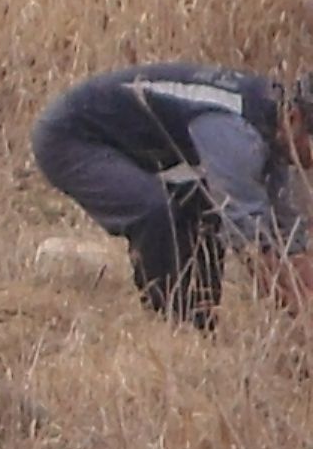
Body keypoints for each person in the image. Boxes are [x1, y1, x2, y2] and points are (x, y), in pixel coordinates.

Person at [31, 66, 313, 328]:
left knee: (201, 208)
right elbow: (250, 241)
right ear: (293, 119)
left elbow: (286, 236)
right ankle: (172, 329)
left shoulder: (274, 128)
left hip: (132, 144)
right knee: (155, 211)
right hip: (71, 137)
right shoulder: (233, 133)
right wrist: (301, 315)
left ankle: (198, 326)